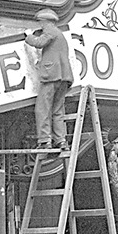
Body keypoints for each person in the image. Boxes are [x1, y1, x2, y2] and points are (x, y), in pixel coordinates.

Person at [24, 8, 73, 150]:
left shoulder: (51, 31)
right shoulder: (60, 34)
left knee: (42, 108)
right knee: (57, 110)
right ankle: (61, 140)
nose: (41, 25)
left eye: (41, 23)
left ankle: (45, 140)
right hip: (63, 77)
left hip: (52, 75)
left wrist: (28, 36)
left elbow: (39, 43)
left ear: (46, 22)